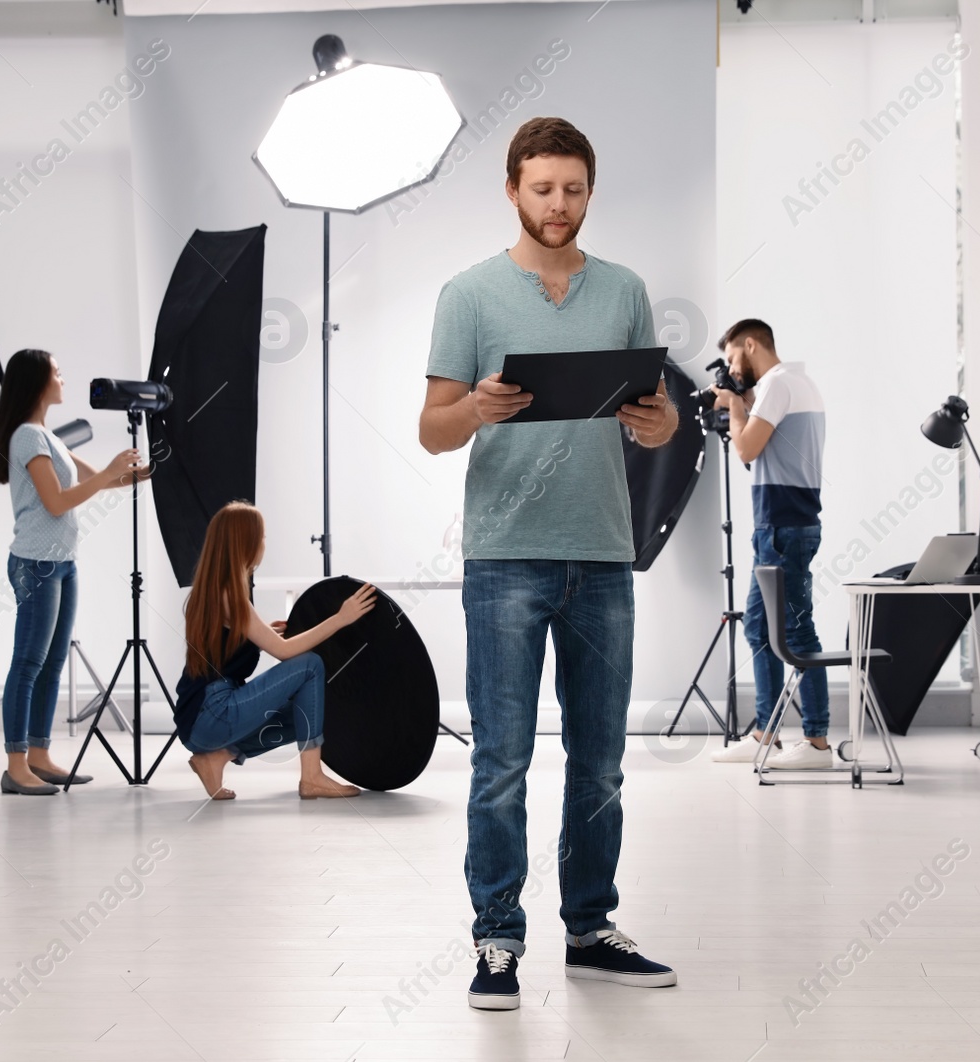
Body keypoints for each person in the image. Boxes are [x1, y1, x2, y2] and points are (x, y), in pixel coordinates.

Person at [418, 116, 681, 1011]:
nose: (557, 205)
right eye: (542, 189)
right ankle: (497, 940)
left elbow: (659, 413)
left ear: (589, 191)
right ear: (512, 190)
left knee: (600, 761)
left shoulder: (625, 291)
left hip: (603, 554)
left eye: (572, 189)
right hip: (504, 561)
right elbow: (431, 430)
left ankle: (590, 930)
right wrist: (480, 411)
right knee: (500, 760)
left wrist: (662, 425)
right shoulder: (470, 295)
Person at [0, 349, 149, 795]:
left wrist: (146, 471)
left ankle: (39, 756)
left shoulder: (48, 436)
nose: (63, 377)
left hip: (63, 562)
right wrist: (110, 472)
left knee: (53, 663)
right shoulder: (25, 438)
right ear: (38, 382)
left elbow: (106, 480)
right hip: (36, 564)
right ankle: (15, 766)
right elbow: (57, 501)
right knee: (28, 663)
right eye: (56, 372)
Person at [174, 500, 377, 801]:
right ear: (247, 542)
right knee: (311, 665)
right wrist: (340, 618)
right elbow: (284, 652)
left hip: (202, 721)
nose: (265, 544)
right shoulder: (231, 594)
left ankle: (215, 758)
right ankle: (312, 778)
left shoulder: (216, 590)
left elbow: (225, 646)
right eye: (263, 537)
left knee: (304, 717)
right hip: (214, 711)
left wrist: (260, 633)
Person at [707, 319, 831, 768]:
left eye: (731, 357)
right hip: (780, 527)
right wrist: (743, 403)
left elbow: (745, 450)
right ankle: (765, 732)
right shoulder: (799, 384)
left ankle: (817, 742)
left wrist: (735, 406)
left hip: (782, 527)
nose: (731, 368)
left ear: (750, 344)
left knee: (797, 631)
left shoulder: (779, 385)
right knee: (759, 630)